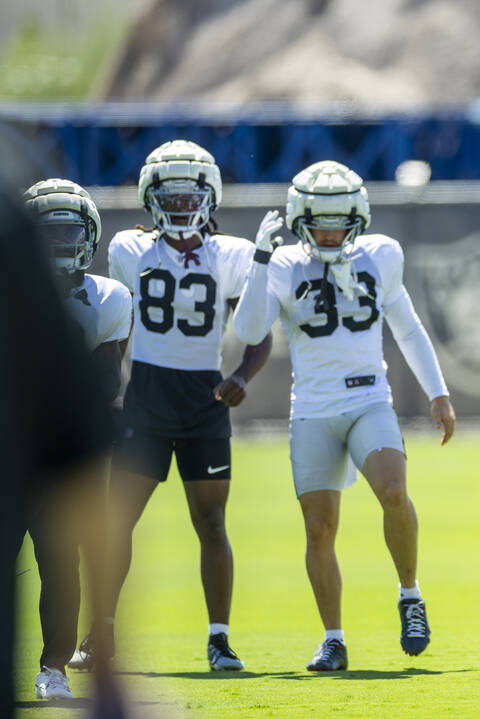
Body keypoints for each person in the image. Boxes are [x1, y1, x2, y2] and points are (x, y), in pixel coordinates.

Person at [233, 160, 454, 671]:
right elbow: (249, 331)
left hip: (367, 399)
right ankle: (333, 638)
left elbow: (409, 327)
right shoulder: (284, 263)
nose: (331, 231)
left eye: (339, 220)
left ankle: (409, 595)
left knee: (394, 492)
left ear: (359, 216)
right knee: (318, 528)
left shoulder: (381, 255)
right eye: (320, 221)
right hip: (312, 407)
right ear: (299, 219)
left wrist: (438, 392)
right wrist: (260, 261)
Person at [71, 140, 272, 673]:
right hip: (148, 397)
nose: (182, 206)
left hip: (204, 398)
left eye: (191, 196)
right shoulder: (129, 248)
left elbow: (257, 333)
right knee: (117, 521)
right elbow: (118, 328)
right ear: (149, 196)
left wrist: (242, 377)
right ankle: (102, 633)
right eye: (171, 196)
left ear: (211, 196)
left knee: (211, 522)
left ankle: (220, 639)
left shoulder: (231, 253)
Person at [0, 178, 123, 716]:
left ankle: (53, 667)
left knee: (61, 560)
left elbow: (100, 385)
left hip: (55, 442)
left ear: (90, 235)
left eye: (70, 230)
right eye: (49, 232)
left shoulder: (110, 298)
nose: (59, 242)